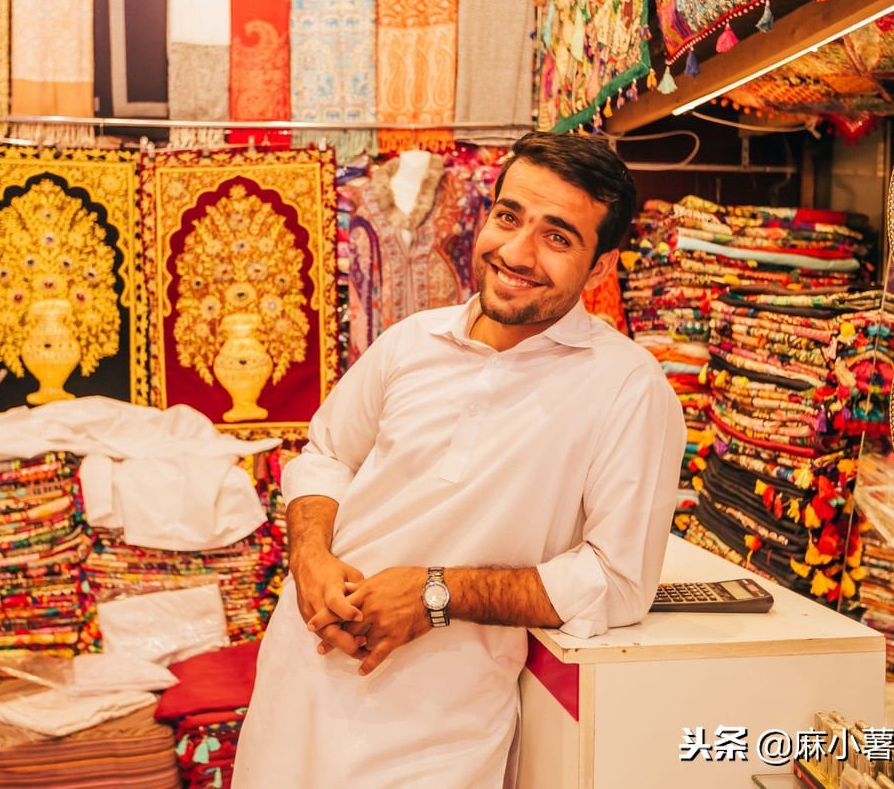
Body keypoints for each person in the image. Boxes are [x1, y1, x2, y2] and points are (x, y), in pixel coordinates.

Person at [234, 132, 687, 787]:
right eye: (509, 217)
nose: (517, 253)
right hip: (298, 684)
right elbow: (327, 453)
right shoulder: (411, 342)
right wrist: (310, 559)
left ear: (600, 267)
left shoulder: (628, 388)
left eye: (558, 237)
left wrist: (434, 594)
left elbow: (617, 581)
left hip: (436, 733)